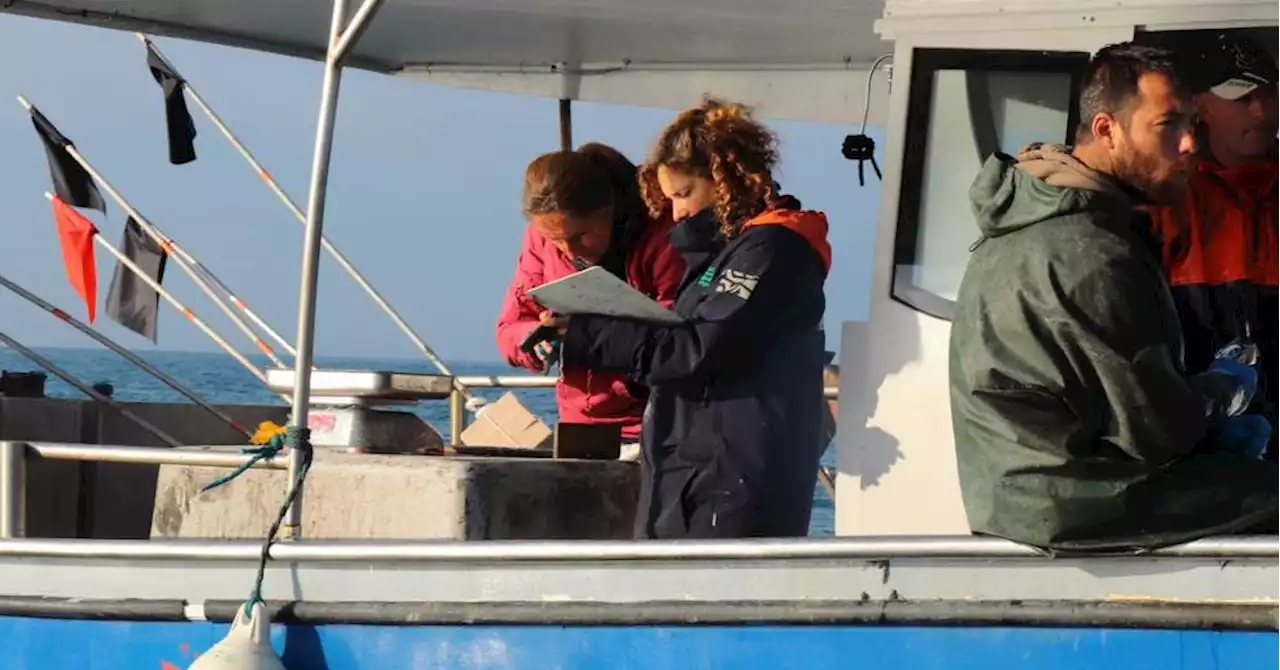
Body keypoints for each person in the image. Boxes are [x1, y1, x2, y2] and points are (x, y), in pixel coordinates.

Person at [949, 41, 1280, 553]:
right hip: (1073, 499)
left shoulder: (1028, 223)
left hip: (1017, 492)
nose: (1190, 144)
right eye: (1168, 125)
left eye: (1191, 124)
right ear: (1107, 129)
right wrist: (1220, 391)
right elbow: (1156, 433)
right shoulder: (1094, 253)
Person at [540, 98, 833, 539]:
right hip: (695, 471)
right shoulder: (727, 253)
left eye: (683, 194)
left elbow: (701, 347)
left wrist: (592, 335)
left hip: (729, 478)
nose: (676, 213)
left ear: (724, 179)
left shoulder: (772, 249)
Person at [496, 144, 686, 453]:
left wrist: (587, 334)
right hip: (578, 424)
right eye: (555, 240)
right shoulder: (539, 239)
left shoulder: (664, 235)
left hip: (659, 424)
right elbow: (510, 326)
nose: (569, 250)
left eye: (579, 236)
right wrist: (534, 339)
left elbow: (682, 339)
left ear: (609, 210)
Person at [1150, 33, 1280, 451]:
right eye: (1243, 98)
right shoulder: (1166, 195)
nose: (1262, 111)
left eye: (1270, 93)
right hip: (1197, 448)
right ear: (1200, 105)